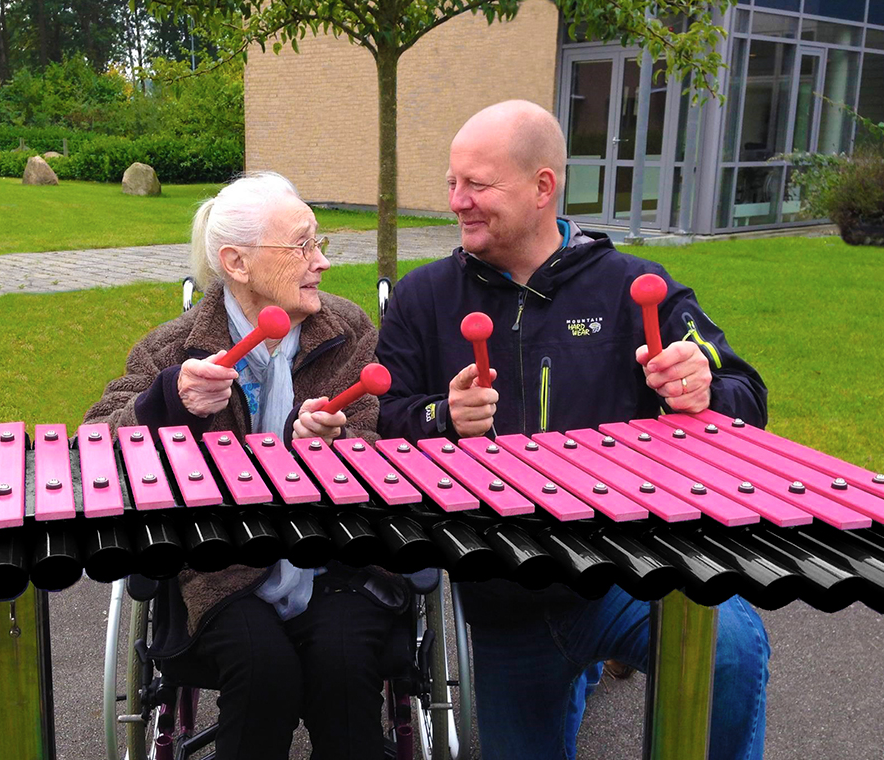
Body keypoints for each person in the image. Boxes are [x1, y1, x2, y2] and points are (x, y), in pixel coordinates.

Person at [375, 100, 771, 760]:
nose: (457, 201)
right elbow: (381, 424)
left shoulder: (630, 286)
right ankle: (578, 672)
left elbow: (745, 392)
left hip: (633, 568)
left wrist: (701, 389)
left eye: (477, 184)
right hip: (504, 599)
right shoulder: (424, 299)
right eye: (452, 182)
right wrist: (441, 419)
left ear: (542, 187)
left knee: (729, 648)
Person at [84, 172, 410, 760]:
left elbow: (367, 433)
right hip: (224, 562)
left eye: (319, 243)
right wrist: (167, 401)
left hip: (335, 555)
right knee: (265, 676)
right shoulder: (175, 348)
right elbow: (93, 447)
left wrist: (325, 441)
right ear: (236, 262)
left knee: (343, 671)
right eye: (303, 245)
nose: (322, 262)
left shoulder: (348, 327)